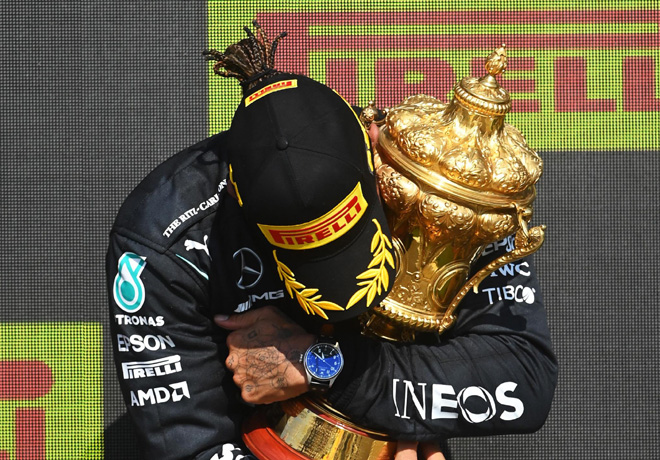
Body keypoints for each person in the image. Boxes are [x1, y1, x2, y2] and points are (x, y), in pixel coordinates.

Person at [106, 23, 557, 460]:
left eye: (356, 241)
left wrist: (323, 365)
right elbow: (191, 446)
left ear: (372, 147)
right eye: (309, 262)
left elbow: (523, 379)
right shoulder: (161, 240)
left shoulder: (428, 179)